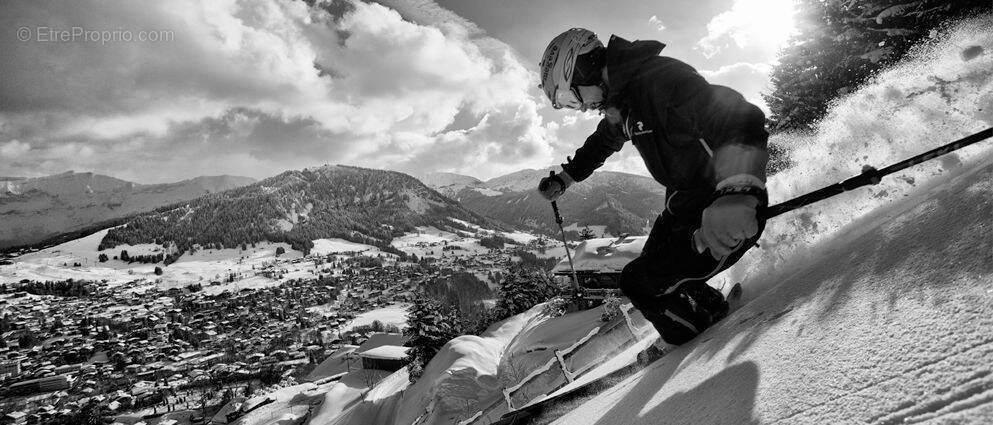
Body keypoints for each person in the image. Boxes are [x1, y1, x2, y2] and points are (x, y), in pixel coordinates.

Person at [537, 28, 769, 347]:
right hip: (685, 208)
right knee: (653, 265)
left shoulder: (660, 82)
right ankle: (710, 310)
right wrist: (566, 177)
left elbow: (741, 118)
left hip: (725, 214)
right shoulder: (626, 103)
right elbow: (603, 142)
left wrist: (739, 192)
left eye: (569, 97)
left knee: (640, 283)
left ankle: (691, 346)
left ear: (582, 68)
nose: (578, 107)